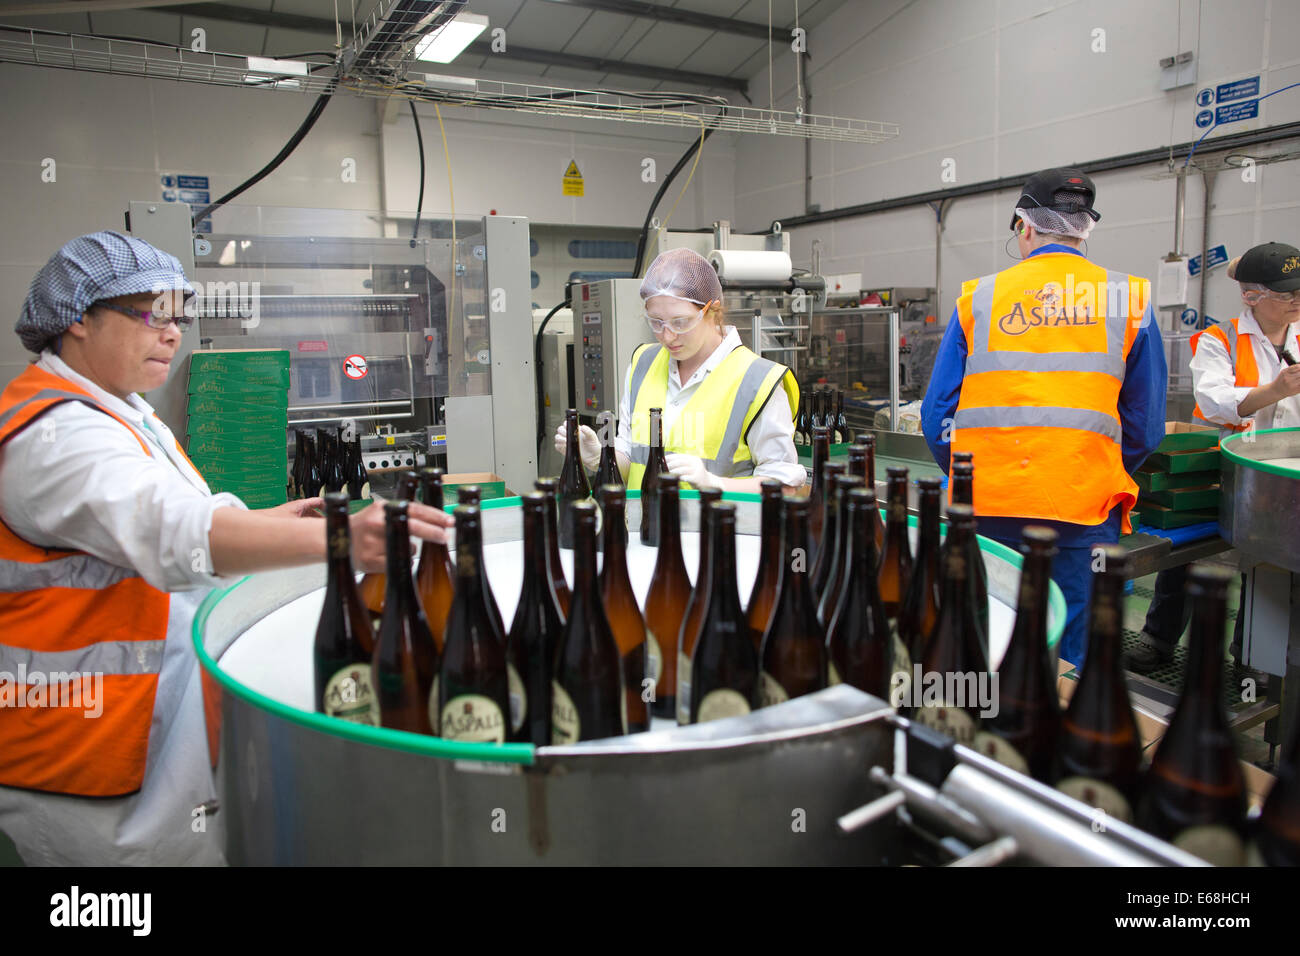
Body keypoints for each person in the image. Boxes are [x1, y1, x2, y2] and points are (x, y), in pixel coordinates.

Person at [0, 231, 453, 865]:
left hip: (150, 731)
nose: (173, 333)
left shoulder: (121, 410)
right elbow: (173, 533)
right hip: (89, 760)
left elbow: (169, 521)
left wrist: (268, 518)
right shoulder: (54, 436)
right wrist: (345, 539)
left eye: (179, 316)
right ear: (78, 317)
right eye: (153, 314)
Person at [920, 168, 1168, 667]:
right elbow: (1145, 424)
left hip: (989, 504)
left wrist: (972, 472)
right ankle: (1060, 738)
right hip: (1082, 506)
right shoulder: (1128, 297)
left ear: (1024, 227)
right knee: (1074, 649)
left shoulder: (980, 297)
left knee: (989, 632)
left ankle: (987, 738)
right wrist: (1095, 465)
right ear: (1085, 229)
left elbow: (937, 414)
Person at [1126, 241, 1300, 672]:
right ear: (1251, 296)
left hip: (1283, 472)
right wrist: (1275, 390)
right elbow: (1215, 398)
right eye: (1286, 294)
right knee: (1189, 555)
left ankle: (1253, 660)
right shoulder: (1218, 339)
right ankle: (1158, 639)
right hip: (1223, 467)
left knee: (1270, 564)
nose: (1297, 300)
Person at [556, 247, 804, 493]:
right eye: (656, 322)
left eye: (680, 322)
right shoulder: (643, 364)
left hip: (717, 530)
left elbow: (784, 486)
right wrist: (599, 457)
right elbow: (634, 462)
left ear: (713, 310)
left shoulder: (758, 381)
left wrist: (715, 483)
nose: (667, 335)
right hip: (644, 528)